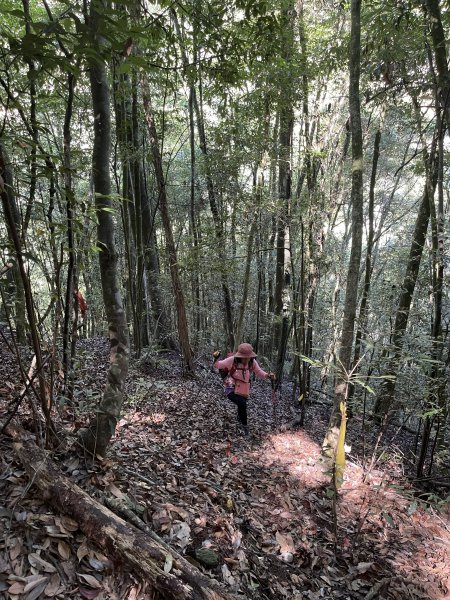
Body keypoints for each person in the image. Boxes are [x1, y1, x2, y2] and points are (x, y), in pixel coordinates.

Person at [213, 343, 275, 435]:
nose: (246, 359)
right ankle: (245, 426)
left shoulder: (252, 362)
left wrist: (267, 375)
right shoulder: (232, 360)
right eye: (244, 357)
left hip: (244, 388)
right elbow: (218, 365)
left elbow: (259, 372)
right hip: (231, 387)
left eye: (248, 357)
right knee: (242, 403)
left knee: (242, 404)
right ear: (239, 356)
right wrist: (215, 358)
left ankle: (239, 417)